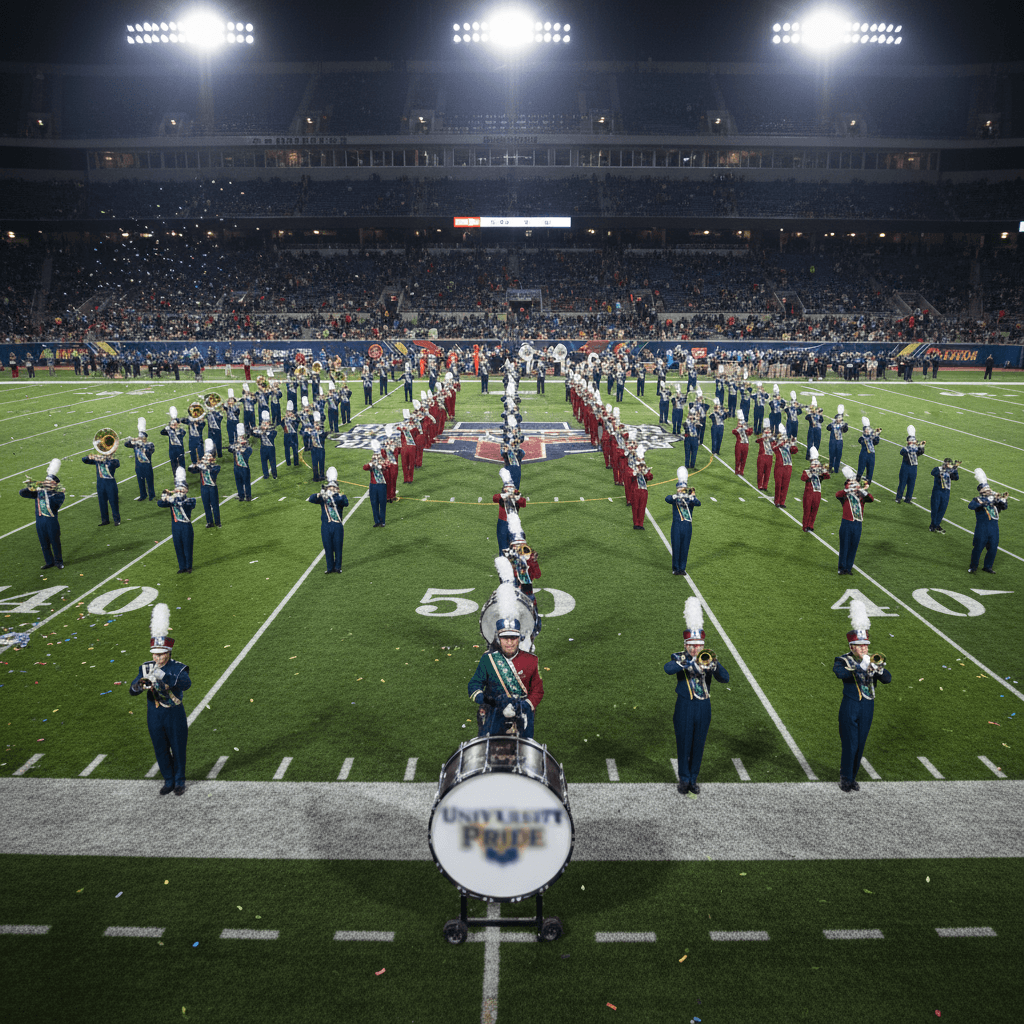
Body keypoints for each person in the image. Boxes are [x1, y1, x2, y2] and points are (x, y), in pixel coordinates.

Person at [664, 597, 729, 795]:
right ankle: (684, 779)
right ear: (685, 645)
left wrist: (715, 667)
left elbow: (725, 678)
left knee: (698, 744)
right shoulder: (680, 657)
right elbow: (668, 668)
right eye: (691, 645)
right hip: (685, 705)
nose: (695, 649)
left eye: (698, 646)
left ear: (703, 645)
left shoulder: (708, 658)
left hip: (703, 706)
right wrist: (688, 663)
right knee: (684, 743)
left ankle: (693, 779)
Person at [129, 604, 191, 796]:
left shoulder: (178, 667)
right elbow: (133, 689)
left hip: (174, 713)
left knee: (178, 748)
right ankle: (168, 780)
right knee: (160, 748)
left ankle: (179, 781)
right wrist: (138, 686)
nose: (158, 657)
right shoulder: (146, 667)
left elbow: (186, 684)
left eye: (162, 654)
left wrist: (165, 678)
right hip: (154, 714)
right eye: (155, 654)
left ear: (169, 652)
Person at [832, 600, 891, 793]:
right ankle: (845, 778)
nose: (864, 648)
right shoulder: (842, 660)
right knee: (850, 744)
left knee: (860, 744)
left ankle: (853, 778)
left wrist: (878, 670)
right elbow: (841, 674)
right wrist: (860, 668)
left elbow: (888, 679)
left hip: (867, 707)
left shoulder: (873, 660)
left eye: (866, 645)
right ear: (852, 646)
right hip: (850, 705)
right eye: (860, 645)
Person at [468, 606, 543, 739]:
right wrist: (485, 699)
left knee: (522, 748)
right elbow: (474, 685)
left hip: (521, 713)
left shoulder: (531, 660)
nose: (509, 642)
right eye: (505, 638)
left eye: (513, 638)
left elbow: (538, 690)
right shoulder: (488, 660)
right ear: (498, 639)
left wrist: (524, 705)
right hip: (493, 712)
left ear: (519, 638)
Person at [21, 459, 64, 569]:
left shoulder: (59, 494)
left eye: (49, 482)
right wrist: (32, 486)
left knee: (55, 541)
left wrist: (48, 492)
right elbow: (22, 493)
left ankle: (58, 561)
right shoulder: (39, 491)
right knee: (43, 542)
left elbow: (55, 505)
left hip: (51, 520)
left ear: (54, 484)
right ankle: (49, 562)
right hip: (40, 520)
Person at [308, 466, 349, 573]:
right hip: (326, 526)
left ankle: (338, 567)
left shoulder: (340, 496)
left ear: (337, 489)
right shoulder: (323, 497)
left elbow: (345, 503)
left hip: (337, 526)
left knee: (338, 547)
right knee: (328, 547)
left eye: (333, 487)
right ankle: (330, 567)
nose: (331, 489)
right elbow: (311, 499)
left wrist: (335, 496)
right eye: (329, 487)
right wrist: (319, 494)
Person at [968, 469, 1008, 574]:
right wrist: (987, 500)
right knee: (978, 547)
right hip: (982, 527)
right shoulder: (977, 499)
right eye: (987, 490)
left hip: (994, 527)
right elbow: (971, 506)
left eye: (989, 490)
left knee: (993, 548)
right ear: (981, 491)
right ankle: (973, 567)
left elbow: (1004, 507)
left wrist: (1003, 499)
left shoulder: (994, 500)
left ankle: (988, 566)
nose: (990, 492)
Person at [157, 467, 196, 574]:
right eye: (177, 489)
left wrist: (173, 497)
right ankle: (182, 566)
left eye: (181, 489)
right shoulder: (172, 500)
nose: (179, 491)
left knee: (187, 547)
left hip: (186, 526)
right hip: (175, 526)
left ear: (186, 490)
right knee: (178, 546)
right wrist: (164, 495)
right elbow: (160, 504)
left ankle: (189, 566)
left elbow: (185, 504)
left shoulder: (190, 500)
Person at [836, 467, 873, 575]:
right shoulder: (845, 496)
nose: (855, 485)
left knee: (853, 546)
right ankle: (842, 568)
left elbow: (871, 498)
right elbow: (838, 494)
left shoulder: (861, 496)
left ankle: (848, 568)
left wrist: (863, 490)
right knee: (845, 546)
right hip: (847, 523)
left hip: (858, 524)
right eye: (851, 484)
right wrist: (848, 490)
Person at [665, 467, 700, 576]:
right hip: (677, 526)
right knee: (676, 547)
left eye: (683, 489)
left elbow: (698, 503)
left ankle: (682, 568)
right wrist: (675, 496)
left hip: (687, 527)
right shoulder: (675, 499)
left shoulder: (690, 499)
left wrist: (693, 497)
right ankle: (676, 568)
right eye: (679, 488)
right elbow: (667, 499)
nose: (681, 490)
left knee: (685, 547)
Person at [82, 446, 121, 527]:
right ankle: (105, 520)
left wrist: (105, 459)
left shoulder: (114, 461)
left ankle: (117, 520)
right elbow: (84, 460)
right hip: (100, 484)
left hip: (110, 484)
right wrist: (90, 456)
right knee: (102, 503)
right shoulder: (98, 461)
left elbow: (116, 464)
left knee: (113, 502)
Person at [187, 439, 222, 528]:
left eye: (207, 457)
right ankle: (209, 522)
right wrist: (195, 465)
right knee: (206, 505)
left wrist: (206, 465)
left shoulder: (215, 466)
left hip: (212, 488)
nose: (204, 459)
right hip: (204, 488)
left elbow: (214, 471)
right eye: (204, 457)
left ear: (211, 459)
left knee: (215, 505)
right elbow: (191, 470)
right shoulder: (201, 466)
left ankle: (217, 522)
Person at [493, 468, 526, 552]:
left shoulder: (516, 497)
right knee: (503, 546)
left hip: (513, 523)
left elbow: (523, 503)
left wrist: (517, 498)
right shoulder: (502, 496)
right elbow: (494, 498)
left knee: (515, 546)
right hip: (503, 523)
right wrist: (503, 495)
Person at [125, 418, 156, 501]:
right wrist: (133, 440)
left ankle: (152, 495)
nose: (140, 439)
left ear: (145, 438)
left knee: (149, 481)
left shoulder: (150, 444)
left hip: (147, 466)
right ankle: (143, 495)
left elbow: (151, 451)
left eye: (142, 437)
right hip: (138, 466)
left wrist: (142, 446)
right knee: (140, 481)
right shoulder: (136, 444)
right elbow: (126, 444)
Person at [800, 447, 830, 532]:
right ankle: (805, 526)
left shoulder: (820, 473)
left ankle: (811, 525)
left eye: (817, 465)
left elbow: (827, 476)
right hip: (808, 493)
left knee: (814, 510)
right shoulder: (806, 471)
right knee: (807, 510)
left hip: (817, 493)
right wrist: (811, 472)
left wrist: (824, 470)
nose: (816, 466)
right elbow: (803, 478)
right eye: (814, 465)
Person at [929, 457, 960, 533]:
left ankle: (937, 524)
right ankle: (933, 525)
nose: (948, 464)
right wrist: (943, 469)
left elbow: (956, 478)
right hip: (937, 490)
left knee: (942, 509)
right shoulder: (938, 468)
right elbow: (933, 473)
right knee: (935, 508)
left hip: (946, 491)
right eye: (947, 463)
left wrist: (955, 469)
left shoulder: (950, 471)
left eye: (949, 463)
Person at [895, 425, 925, 503]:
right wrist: (912, 446)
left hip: (913, 468)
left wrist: (921, 446)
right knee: (902, 483)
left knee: (911, 484)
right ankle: (898, 498)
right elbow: (902, 452)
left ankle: (908, 499)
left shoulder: (916, 449)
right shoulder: (905, 448)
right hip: (905, 467)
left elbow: (920, 452)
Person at [771, 426, 799, 508]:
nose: (783, 437)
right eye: (781, 435)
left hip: (788, 465)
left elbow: (794, 451)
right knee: (778, 484)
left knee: (785, 485)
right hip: (779, 466)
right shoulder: (774, 442)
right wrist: (781, 443)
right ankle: (777, 501)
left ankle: (782, 502)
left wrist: (793, 443)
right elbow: (773, 449)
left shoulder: (787, 443)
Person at [363, 440, 388, 527]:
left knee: (382, 503)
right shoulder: (372, 462)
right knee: (374, 503)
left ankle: (382, 521)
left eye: (376, 455)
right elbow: (364, 467)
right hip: (373, 485)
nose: (375, 456)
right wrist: (371, 464)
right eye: (374, 455)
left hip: (381, 484)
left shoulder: (384, 461)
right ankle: (377, 520)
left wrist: (380, 465)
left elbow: (386, 467)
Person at [229, 423, 254, 502]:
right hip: (236, 467)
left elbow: (247, 455)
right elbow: (230, 449)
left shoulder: (248, 448)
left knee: (246, 482)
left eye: (241, 438)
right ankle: (241, 496)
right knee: (238, 482)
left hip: (244, 467)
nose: (239, 440)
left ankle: (248, 496)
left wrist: (240, 449)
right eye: (238, 438)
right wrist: (236, 447)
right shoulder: (235, 446)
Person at [631, 445, 653, 530]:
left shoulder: (645, 467)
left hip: (644, 490)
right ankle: (636, 523)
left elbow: (650, 477)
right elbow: (629, 476)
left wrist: (645, 472)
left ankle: (640, 524)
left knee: (642, 507)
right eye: (639, 459)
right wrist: (636, 472)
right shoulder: (633, 465)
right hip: (635, 490)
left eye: (642, 459)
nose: (640, 460)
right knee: (635, 507)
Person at [161, 406, 186, 477]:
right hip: (172, 451)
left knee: (181, 465)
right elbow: (162, 432)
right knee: (174, 466)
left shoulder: (181, 431)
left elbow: (183, 433)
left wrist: (175, 428)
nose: (174, 425)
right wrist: (169, 427)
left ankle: (183, 477)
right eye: (173, 424)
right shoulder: (170, 431)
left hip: (180, 450)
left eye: (175, 424)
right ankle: (176, 477)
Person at [856, 417, 881, 485]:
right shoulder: (863, 437)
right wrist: (874, 435)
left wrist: (877, 435)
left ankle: (867, 483)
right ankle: (856, 482)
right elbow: (864, 440)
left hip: (871, 455)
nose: (867, 431)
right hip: (864, 454)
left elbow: (876, 442)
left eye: (868, 429)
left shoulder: (871, 436)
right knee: (861, 469)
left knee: (870, 469)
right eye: (866, 430)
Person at [256, 411, 278, 480]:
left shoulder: (273, 431)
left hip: (271, 449)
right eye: (263, 423)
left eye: (266, 423)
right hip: (263, 448)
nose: (264, 425)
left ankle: (274, 474)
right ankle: (266, 474)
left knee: (272, 462)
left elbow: (272, 436)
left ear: (269, 423)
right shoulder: (261, 430)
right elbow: (255, 434)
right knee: (264, 462)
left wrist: (266, 431)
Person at [826, 405, 847, 474]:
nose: (838, 419)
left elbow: (845, 430)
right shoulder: (833, 424)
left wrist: (845, 426)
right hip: (833, 441)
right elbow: (828, 428)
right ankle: (830, 467)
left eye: (840, 418)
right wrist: (832, 424)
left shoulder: (843, 424)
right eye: (838, 418)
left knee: (838, 455)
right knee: (832, 455)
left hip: (839, 441)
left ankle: (836, 469)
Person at [732, 411, 752, 476]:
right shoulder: (737, 428)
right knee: (738, 458)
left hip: (746, 444)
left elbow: (750, 432)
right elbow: (733, 432)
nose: (740, 422)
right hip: (739, 444)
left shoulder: (746, 427)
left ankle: (741, 470)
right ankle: (737, 470)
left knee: (744, 458)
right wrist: (739, 428)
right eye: (739, 421)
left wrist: (745, 428)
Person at [307, 411, 326, 482]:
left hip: (320, 449)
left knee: (321, 462)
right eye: (315, 423)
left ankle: (322, 475)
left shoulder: (321, 432)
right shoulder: (312, 430)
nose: (316, 425)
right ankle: (315, 476)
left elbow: (321, 434)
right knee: (314, 463)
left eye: (317, 424)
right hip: (314, 449)